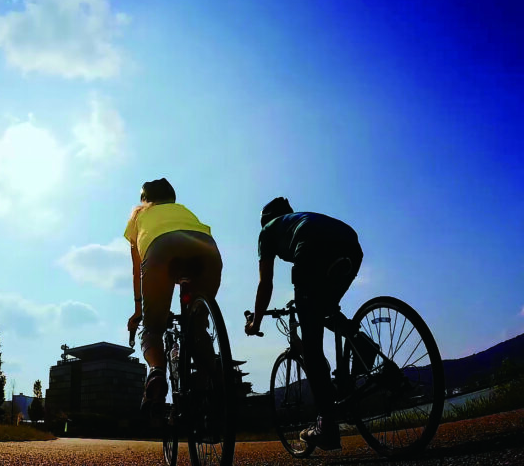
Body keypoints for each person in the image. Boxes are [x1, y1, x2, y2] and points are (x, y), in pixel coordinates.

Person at [244, 197, 369, 451]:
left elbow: (265, 283)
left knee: (311, 346)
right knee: (325, 310)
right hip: (350, 245)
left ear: (264, 220)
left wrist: (255, 321)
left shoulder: (267, 231)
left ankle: (327, 426)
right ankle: (363, 344)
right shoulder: (298, 218)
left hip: (312, 251)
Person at [124, 178, 223, 413]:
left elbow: (137, 268)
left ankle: (157, 373)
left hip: (161, 250)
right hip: (207, 250)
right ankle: (213, 384)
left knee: (152, 330)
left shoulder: (138, 216)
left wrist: (139, 310)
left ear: (145, 200)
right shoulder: (183, 210)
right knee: (197, 327)